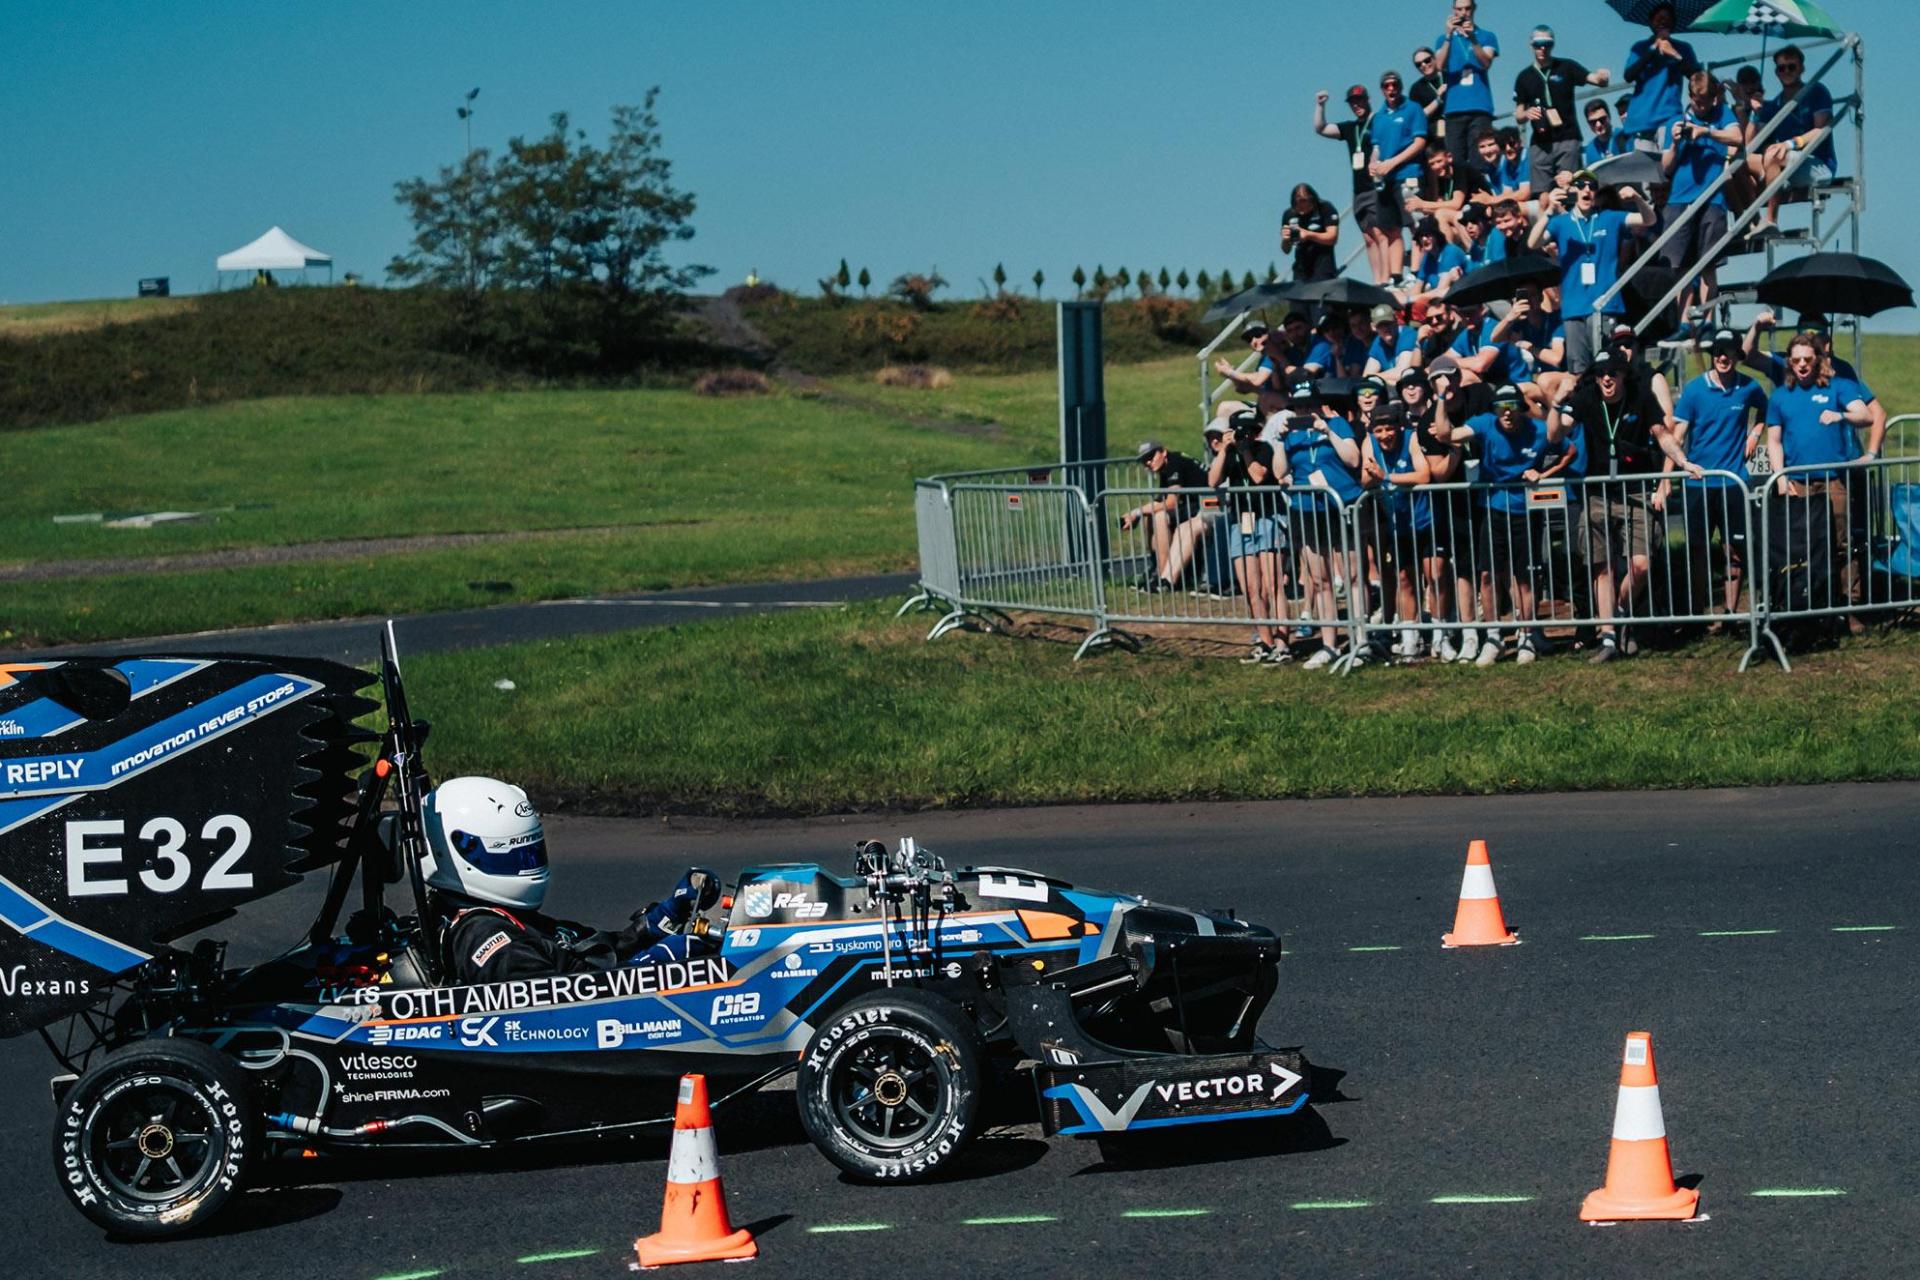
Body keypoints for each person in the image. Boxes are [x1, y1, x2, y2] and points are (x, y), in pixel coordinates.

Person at [425, 776, 720, 983]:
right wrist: (650, 969)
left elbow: (590, 953)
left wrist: (656, 923)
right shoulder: (484, 937)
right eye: (513, 855)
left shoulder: (508, 917)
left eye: (531, 852)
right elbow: (556, 1005)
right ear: (460, 851)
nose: (528, 866)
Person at [1554, 346, 1703, 662]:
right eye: (1601, 373)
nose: (1607, 378)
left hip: (1634, 491)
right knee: (1602, 566)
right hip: (1596, 493)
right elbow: (1556, 433)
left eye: (1613, 372)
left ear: (1623, 374)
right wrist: (1556, 401)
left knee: (1641, 564)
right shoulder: (1585, 399)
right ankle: (1609, 637)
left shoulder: (1641, 397)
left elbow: (1662, 435)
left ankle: (1620, 612)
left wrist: (1683, 462)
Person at [1435, 384, 1575, 665]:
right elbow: (1445, 434)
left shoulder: (1536, 429)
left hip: (1526, 511)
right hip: (1492, 508)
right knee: (1487, 575)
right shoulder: (1485, 424)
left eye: (1512, 406)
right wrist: (1440, 397)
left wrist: (1543, 472)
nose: (1507, 413)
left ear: (1521, 408)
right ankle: (1494, 637)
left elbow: (1567, 447)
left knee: (1523, 577)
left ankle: (1526, 636)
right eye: (1501, 407)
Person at [1763, 334, 1876, 628]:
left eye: (1807, 360)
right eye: (1796, 360)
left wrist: (1841, 416)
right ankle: (1808, 607)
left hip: (1833, 480)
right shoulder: (1780, 396)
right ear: (1789, 361)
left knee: (1841, 543)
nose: (1802, 365)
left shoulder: (1838, 385)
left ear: (1818, 360)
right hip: (1796, 482)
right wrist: (1779, 477)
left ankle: (1847, 607)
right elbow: (1773, 440)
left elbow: (1865, 415)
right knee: (1803, 547)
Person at [1672, 329, 1767, 623]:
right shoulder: (1693, 389)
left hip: (1733, 480)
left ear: (1738, 356)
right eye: (1718, 352)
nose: (1723, 357)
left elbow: (1766, 411)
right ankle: (1701, 614)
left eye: (1729, 352)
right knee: (1698, 549)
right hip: (1698, 482)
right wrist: (1674, 468)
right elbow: (1678, 432)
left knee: (1734, 548)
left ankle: (1729, 613)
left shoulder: (1749, 387)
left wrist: (1754, 434)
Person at [1271, 376, 1364, 669]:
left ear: (1319, 404)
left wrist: (1326, 430)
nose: (1305, 411)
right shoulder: (1291, 435)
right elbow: (1279, 472)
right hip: (1306, 509)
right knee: (1320, 579)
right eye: (1299, 407)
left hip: (1342, 504)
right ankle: (1329, 644)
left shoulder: (1336, 424)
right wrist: (1278, 441)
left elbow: (1352, 459)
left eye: (1310, 405)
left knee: (1351, 575)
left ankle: (1361, 640)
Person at [1529, 171, 1656, 373]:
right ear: (1573, 191)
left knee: (1605, 366)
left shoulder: (1609, 218)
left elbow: (1648, 220)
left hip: (1604, 305)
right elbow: (1532, 242)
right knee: (1579, 370)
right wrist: (1549, 211)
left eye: (1592, 186)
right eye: (1581, 185)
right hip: (1573, 307)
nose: (1587, 190)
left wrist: (1637, 198)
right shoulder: (1561, 222)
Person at [1659, 71, 1743, 319]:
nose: (1701, 105)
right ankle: (1685, 324)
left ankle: (1707, 321)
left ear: (1714, 97)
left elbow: (1737, 137)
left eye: (1706, 99)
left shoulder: (1722, 115)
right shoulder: (1675, 121)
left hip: (1712, 199)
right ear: (1690, 96)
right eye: (1697, 100)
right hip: (1679, 200)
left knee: (1708, 265)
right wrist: (1675, 142)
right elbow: (1666, 167)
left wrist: (1705, 131)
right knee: (1680, 267)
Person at [1208, 410, 1290, 663]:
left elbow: (1258, 476)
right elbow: (1213, 481)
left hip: (1268, 517)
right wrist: (1224, 449)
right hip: (1241, 522)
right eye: (1239, 432)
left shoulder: (1263, 448)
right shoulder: (1229, 453)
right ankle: (1264, 642)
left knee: (1272, 585)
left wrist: (1245, 450)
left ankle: (1282, 642)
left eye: (1248, 432)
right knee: (1252, 588)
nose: (1245, 436)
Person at [1359, 402, 1435, 658]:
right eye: (1378, 430)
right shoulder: (1369, 443)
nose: (1384, 435)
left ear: (1398, 428)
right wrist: (1374, 476)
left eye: (1389, 429)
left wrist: (1387, 477)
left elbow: (1424, 475)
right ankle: (1410, 637)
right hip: (1396, 523)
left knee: (1433, 576)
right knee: (1403, 578)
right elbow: (1365, 480)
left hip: (1423, 518)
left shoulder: (1411, 438)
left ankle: (1441, 633)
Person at [1751, 44, 1839, 235]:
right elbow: (1755, 141)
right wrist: (1754, 112)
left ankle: (1771, 221)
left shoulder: (1816, 91)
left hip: (1818, 166)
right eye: (1782, 68)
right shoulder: (1774, 103)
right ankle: (1749, 222)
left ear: (1802, 68)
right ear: (1776, 72)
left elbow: (1821, 128)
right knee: (1740, 160)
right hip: (1786, 165)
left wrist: (1791, 143)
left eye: (1792, 67)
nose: (1787, 71)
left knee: (1774, 154)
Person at [1514, 25, 1611, 195]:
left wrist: (1602, 76)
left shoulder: (1566, 66)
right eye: (1538, 44)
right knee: (1542, 195)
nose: (1542, 48)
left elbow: (1595, 79)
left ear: (1553, 44)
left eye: (1547, 43)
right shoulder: (1524, 76)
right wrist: (1527, 113)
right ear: (1531, 45)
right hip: (1540, 142)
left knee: (1570, 191)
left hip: (1567, 137)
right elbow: (1519, 114)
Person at [1316, 86, 1393, 285]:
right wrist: (1320, 105)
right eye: (1353, 102)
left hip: (1377, 186)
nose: (1357, 105)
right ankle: (1377, 280)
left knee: (1380, 233)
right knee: (1368, 237)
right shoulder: (1351, 128)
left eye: (1360, 100)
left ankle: (1386, 278)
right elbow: (1321, 128)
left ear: (1367, 100)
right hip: (1359, 189)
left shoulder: (1379, 121)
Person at [1123, 440, 1214, 592]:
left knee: (1159, 516)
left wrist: (1136, 512)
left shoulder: (1174, 463)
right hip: (1194, 506)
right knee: (1151, 515)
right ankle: (1159, 571)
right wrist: (1139, 515)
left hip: (1210, 506)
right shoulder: (1166, 467)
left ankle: (1164, 579)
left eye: (1151, 456)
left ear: (1163, 452)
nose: (1148, 462)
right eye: (1144, 460)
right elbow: (1161, 501)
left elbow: (1171, 502)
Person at [1369, 70, 1430, 286]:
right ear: (1382, 90)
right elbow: (1376, 146)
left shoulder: (1413, 109)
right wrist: (1373, 162)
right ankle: (1396, 277)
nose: (1391, 89)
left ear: (1400, 86)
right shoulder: (1378, 117)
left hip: (1408, 174)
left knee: (1417, 225)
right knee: (1391, 228)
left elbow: (1420, 141)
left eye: (1394, 84)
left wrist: (1392, 163)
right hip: (1385, 180)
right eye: (1387, 86)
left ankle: (1418, 272)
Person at [1621, 2, 1701, 151]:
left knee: (1668, 168)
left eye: (1667, 19)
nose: (1663, 22)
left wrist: (1675, 55)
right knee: (1644, 172)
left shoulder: (1684, 48)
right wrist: (1653, 50)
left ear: (1674, 23)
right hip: (1641, 120)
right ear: (1651, 23)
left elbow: (1696, 78)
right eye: (1658, 19)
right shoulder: (1639, 47)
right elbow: (1628, 75)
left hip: (1669, 118)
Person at [1431, 0, 1500, 171]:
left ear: (1474, 9)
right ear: (1453, 10)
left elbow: (1486, 63)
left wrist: (1473, 39)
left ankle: (1482, 195)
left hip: (1479, 107)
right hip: (1454, 108)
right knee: (1456, 161)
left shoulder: (1486, 36)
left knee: (1480, 159)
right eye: (1459, 9)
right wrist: (1448, 35)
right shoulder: (1442, 39)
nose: (1463, 13)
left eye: (1467, 8)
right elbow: (1439, 65)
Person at [1407, 144, 1484, 248]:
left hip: (1480, 212)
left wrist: (1423, 204)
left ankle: (1463, 255)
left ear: (1449, 157)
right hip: (1462, 215)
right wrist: (1420, 208)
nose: (1436, 166)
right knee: (1427, 227)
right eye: (1432, 164)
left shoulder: (1459, 169)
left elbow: (1456, 204)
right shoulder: (1442, 176)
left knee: (1442, 214)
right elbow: (1441, 204)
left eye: (1439, 161)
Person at [1280, 182, 1340, 282]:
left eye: (1303, 201)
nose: (1299, 205)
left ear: (1312, 199)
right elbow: (1286, 250)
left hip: (1323, 266)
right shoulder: (1289, 214)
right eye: (1296, 202)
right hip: (1300, 269)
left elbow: (1332, 237)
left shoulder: (1325, 208)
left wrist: (1308, 235)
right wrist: (1285, 240)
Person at [1407, 218, 1468, 303]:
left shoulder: (1451, 252)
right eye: (1421, 236)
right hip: (1441, 303)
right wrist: (1408, 301)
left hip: (1461, 301)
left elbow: (1440, 292)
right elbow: (1417, 287)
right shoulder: (1427, 258)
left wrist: (1412, 299)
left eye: (1427, 235)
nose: (1424, 239)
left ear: (1436, 235)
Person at [1363, 302, 1422, 382]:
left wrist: (1374, 377)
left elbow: (1402, 373)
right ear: (1373, 327)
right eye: (1380, 325)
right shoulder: (1378, 342)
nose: (1385, 328)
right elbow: (1365, 377)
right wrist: (1373, 377)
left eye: (1388, 323)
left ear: (1396, 321)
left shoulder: (1408, 334)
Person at [1583, 100, 1632, 168]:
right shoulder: (1590, 148)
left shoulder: (1625, 136)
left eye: (1602, 119)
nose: (1598, 125)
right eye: (1593, 122)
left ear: (1609, 117)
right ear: (1588, 123)